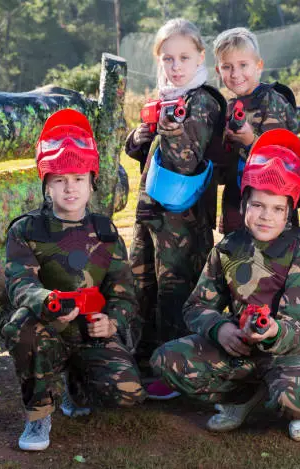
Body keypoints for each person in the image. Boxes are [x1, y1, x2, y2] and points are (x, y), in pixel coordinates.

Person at [150, 129, 300, 442]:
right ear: (245, 203)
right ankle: (241, 397)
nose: (266, 217)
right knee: (165, 360)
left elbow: (299, 328)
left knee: (294, 399)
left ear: (289, 213)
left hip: (294, 349)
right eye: (258, 205)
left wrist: (273, 331)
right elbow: (196, 307)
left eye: (277, 209)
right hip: (241, 344)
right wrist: (220, 329)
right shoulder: (227, 249)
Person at [1, 109, 145, 451]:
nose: (70, 188)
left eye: (78, 179)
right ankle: (37, 416)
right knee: (22, 327)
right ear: (46, 184)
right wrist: (46, 302)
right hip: (47, 325)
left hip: (91, 331)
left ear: (92, 181)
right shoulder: (26, 230)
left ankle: (77, 383)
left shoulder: (106, 232)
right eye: (60, 180)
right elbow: (19, 283)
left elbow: (125, 292)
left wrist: (112, 323)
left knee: (128, 393)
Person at [124, 18, 226, 400]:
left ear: (201, 56)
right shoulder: (165, 97)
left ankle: (175, 370)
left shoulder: (201, 100)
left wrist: (168, 129)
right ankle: (144, 358)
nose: (176, 66)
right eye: (168, 58)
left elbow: (185, 160)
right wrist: (141, 133)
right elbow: (138, 151)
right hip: (150, 213)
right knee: (141, 287)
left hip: (183, 221)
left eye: (184, 57)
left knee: (175, 291)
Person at [213, 27, 299, 234]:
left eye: (243, 65)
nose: (235, 74)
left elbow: (282, 161)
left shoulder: (272, 102)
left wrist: (251, 141)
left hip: (272, 211)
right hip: (238, 206)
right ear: (218, 71)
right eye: (227, 67)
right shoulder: (229, 107)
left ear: (259, 66)